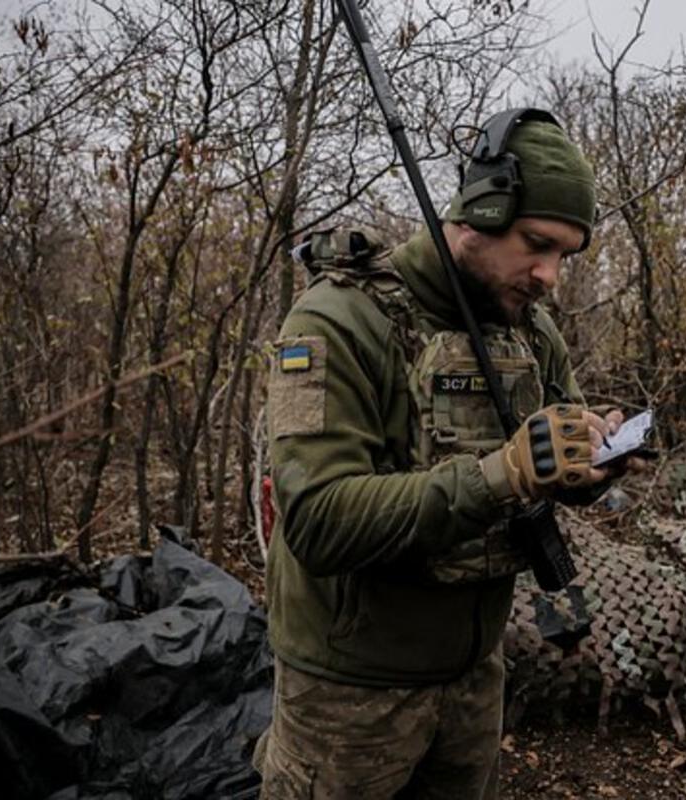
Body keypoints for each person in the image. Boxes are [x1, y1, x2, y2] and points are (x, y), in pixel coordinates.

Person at [254, 109, 635, 799]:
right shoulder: (337, 320)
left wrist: (590, 464)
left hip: (474, 680)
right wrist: (502, 474)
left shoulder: (531, 332)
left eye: (565, 256)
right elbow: (316, 519)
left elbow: (551, 454)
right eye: (537, 244)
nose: (549, 274)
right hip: (349, 697)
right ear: (479, 213)